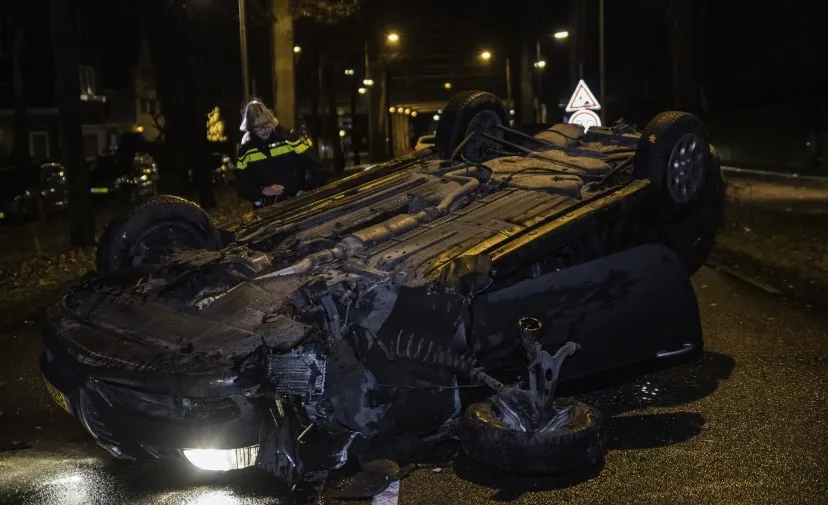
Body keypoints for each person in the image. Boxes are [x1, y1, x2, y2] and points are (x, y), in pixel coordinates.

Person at [234, 99, 325, 209]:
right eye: (258, 127)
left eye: (266, 124)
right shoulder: (246, 151)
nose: (263, 130)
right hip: (267, 209)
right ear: (250, 128)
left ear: (271, 121)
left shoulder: (289, 138)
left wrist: (308, 190)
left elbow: (315, 165)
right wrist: (262, 192)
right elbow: (242, 185)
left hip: (299, 203)